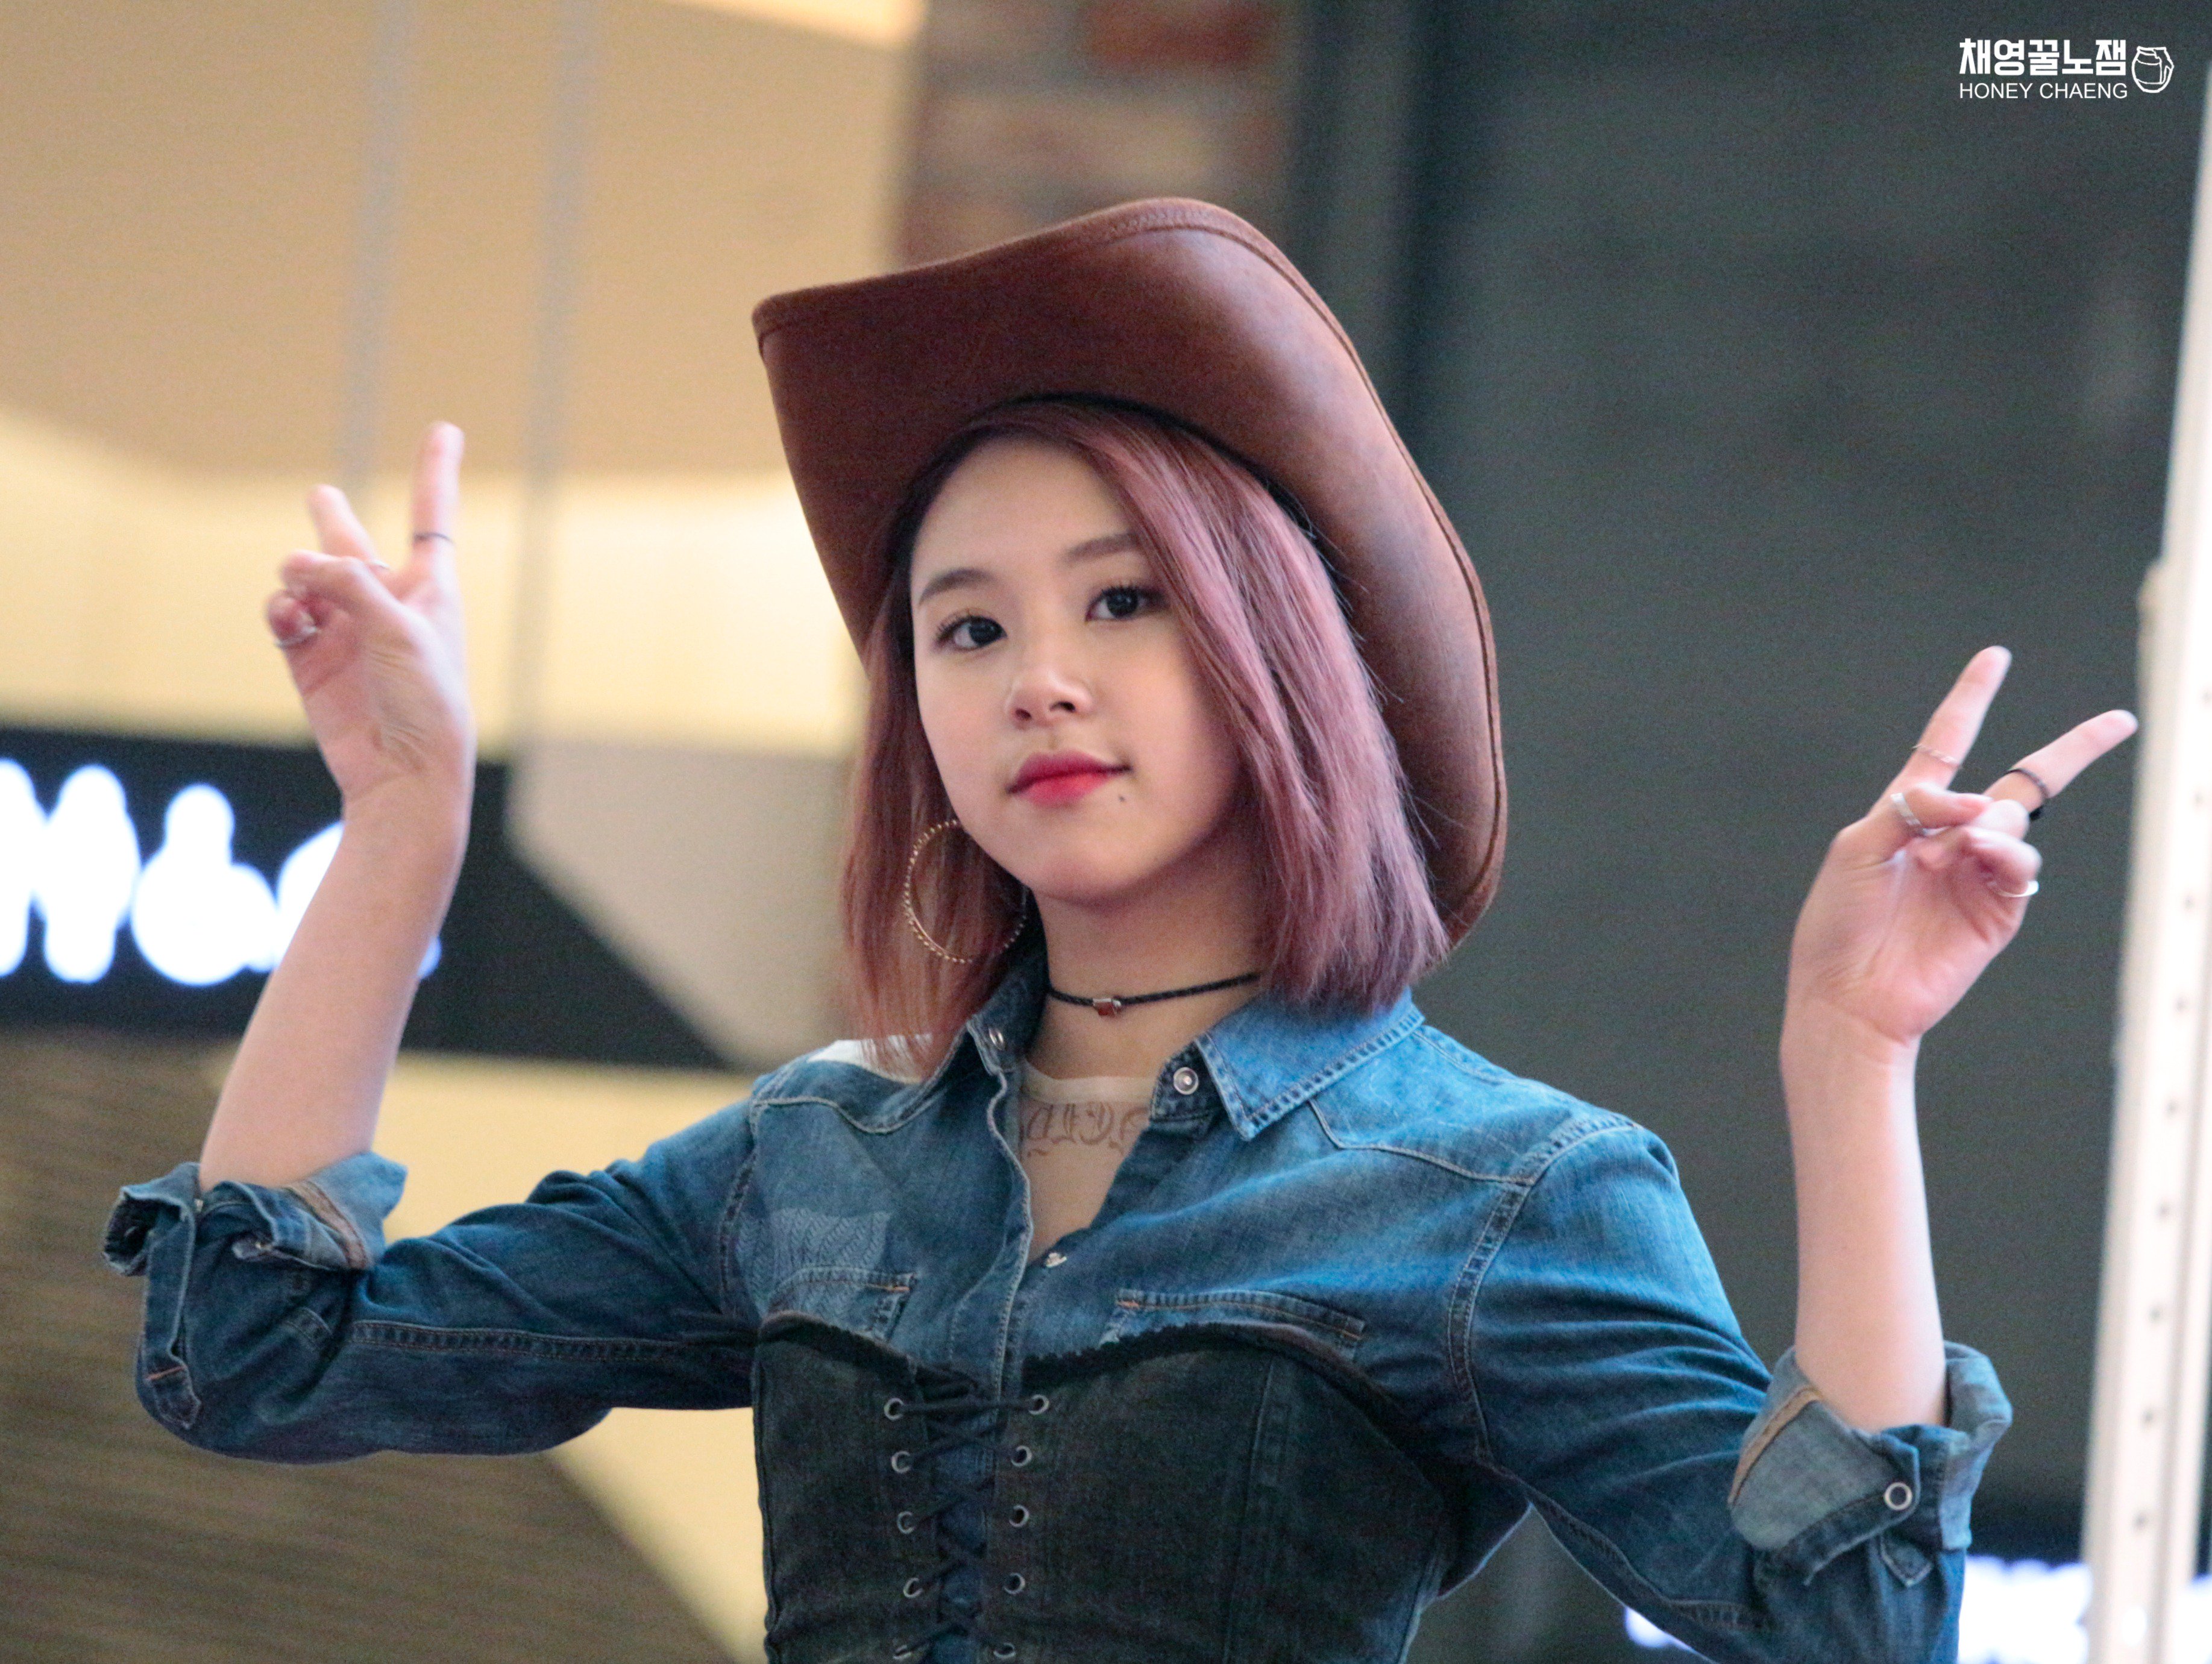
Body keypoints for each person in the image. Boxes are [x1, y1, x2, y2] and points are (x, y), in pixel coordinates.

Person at [107, 199, 2135, 1662]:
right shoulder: (810, 1157)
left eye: (1122, 599)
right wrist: (403, 830)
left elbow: (1851, 1621)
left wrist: (1851, 1054)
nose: (1039, 679)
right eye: (966, 627)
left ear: (1276, 647)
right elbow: (256, 1355)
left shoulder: (1506, 1194)